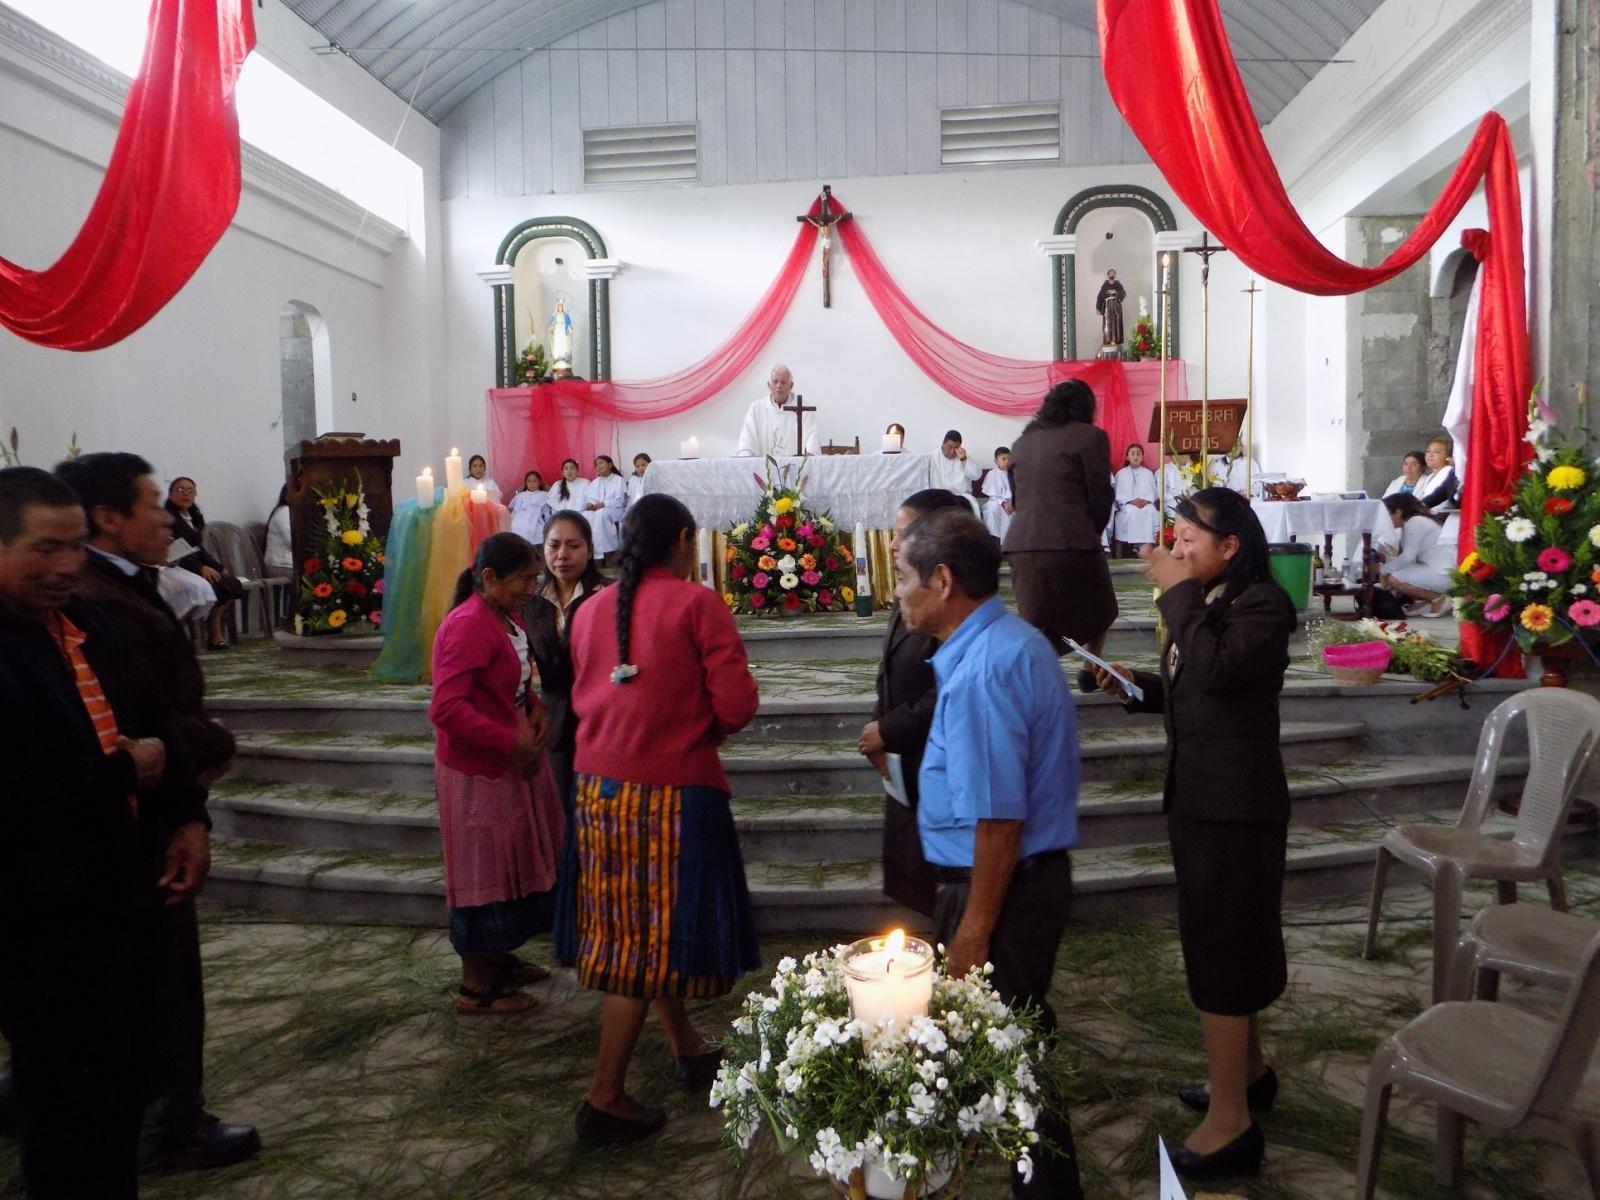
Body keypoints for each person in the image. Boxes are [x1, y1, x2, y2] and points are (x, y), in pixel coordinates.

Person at [0, 466, 210, 1199]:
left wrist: (187, 812)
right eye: (45, 549)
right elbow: (20, 790)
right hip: (40, 917)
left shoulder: (91, 623)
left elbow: (158, 721)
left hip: (120, 892)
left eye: (76, 547)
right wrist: (129, 773)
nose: (66, 566)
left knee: (119, 1084)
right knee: (65, 1102)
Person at [55, 453, 259, 1174]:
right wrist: (203, 752)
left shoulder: (117, 591)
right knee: (156, 980)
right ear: (107, 517)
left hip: (146, 807)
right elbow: (143, 722)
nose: (168, 519)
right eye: (152, 503)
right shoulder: (98, 602)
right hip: (132, 824)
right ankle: (169, 1124)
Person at [1092, 487, 1297, 1181]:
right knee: (1222, 940)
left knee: (1222, 951)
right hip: (1202, 801)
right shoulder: (1210, 604)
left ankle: (1231, 1124)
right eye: (1175, 539)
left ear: (1230, 545)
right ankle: (1250, 1075)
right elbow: (1198, 683)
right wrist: (1137, 687)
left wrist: (1174, 593)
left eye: (1187, 538)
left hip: (1236, 810)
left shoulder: (1263, 606)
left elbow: (1213, 665)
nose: (1176, 549)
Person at [895, 507, 1085, 1200]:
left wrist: (972, 931)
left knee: (1012, 1061)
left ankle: (1047, 1192)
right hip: (1016, 883)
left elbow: (999, 823)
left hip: (1000, 889)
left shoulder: (983, 672)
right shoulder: (1009, 641)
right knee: (1013, 1045)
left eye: (903, 577)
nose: (897, 593)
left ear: (942, 580)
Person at [563, 494, 760, 1146]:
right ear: (682, 539)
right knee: (640, 944)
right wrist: (691, 730)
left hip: (596, 792)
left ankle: (686, 1045)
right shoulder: (697, 603)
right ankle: (605, 1095)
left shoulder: (588, 610)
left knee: (639, 926)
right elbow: (736, 705)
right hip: (672, 795)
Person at [430, 532, 564, 1014]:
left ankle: (498, 958)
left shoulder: (502, 616)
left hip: (509, 761)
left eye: (535, 578)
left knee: (511, 865)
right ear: (487, 578)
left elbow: (513, 677)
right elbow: (446, 708)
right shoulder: (466, 625)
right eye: (524, 579)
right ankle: (475, 987)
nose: (532, 588)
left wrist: (534, 707)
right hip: (480, 769)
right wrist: (509, 741)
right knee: (484, 871)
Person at [856, 489, 971, 917]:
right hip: (906, 762)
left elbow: (950, 684)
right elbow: (890, 668)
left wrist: (889, 728)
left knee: (946, 884)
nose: (889, 542)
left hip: (935, 758)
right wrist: (878, 722)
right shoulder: (911, 589)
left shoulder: (952, 607)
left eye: (901, 533)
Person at [1004, 380, 1118, 689]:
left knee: (1035, 622)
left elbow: (1016, 496)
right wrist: (1089, 530)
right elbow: (1100, 494)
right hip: (1072, 540)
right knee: (1103, 606)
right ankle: (1089, 669)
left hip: (1022, 545)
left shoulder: (1022, 442)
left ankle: (1027, 685)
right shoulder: (1091, 437)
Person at [164, 477, 244, 651]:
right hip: (175, 565)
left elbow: (199, 550)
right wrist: (200, 568)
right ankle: (195, 636)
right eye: (180, 490)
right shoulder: (167, 520)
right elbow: (173, 551)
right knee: (207, 585)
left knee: (230, 583)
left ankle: (214, 629)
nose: (185, 494)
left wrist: (219, 567)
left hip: (194, 562)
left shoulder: (193, 518)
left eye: (190, 490)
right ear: (170, 495)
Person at [1378, 493, 1452, 617]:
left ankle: (1438, 599)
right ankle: (1425, 601)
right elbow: (1407, 559)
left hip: (1444, 576)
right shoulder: (1411, 523)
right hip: (1439, 572)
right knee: (1394, 572)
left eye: (1386, 515)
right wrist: (1385, 559)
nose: (1384, 520)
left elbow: (1408, 557)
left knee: (1393, 578)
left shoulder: (1415, 522)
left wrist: (1382, 570)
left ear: (1398, 513)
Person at [737, 363, 817, 458]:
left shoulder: (803, 410)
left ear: (791, 386)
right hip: (764, 470)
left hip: (796, 470)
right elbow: (746, 440)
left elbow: (812, 443)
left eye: (783, 382)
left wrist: (806, 462)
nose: (779, 385)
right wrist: (745, 459)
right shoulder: (756, 408)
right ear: (769, 385)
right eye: (775, 381)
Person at [1112, 444, 1160, 556]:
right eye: (1132, 453)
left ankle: (1145, 546)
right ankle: (1135, 546)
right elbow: (1118, 494)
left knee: (1151, 511)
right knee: (1132, 511)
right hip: (1127, 504)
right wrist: (1130, 501)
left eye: (1139, 453)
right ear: (1127, 457)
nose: (1136, 456)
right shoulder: (1121, 473)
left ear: (1142, 457)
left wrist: (1146, 500)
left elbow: (1152, 493)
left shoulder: (1148, 473)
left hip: (1145, 503)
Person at [585, 455, 628, 562]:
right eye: (596, 464)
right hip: (599, 509)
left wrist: (604, 504)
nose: (598, 466)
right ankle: (596, 553)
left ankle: (610, 551)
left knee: (603, 515)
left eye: (601, 463)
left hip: (616, 509)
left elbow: (620, 500)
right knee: (586, 515)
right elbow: (591, 498)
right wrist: (590, 504)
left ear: (610, 464)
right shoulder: (595, 482)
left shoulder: (618, 480)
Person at [931, 430, 983, 513]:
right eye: (949, 447)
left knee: (972, 504)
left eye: (956, 448)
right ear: (943, 443)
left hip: (961, 497)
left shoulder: (963, 456)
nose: (952, 452)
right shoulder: (932, 457)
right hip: (939, 497)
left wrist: (963, 460)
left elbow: (976, 476)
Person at [979, 447, 1014, 540]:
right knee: (992, 509)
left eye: (1009, 459)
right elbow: (993, 495)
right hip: (995, 501)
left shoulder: (1014, 473)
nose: (1007, 461)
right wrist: (1003, 503)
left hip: (1012, 502)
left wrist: (1011, 503)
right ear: (996, 461)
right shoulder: (992, 474)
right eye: (1003, 459)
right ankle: (994, 539)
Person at [1414, 435, 1459, 510]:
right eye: (1428, 451)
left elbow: (1441, 500)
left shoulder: (1449, 472)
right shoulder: (1430, 476)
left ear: (1448, 456)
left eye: (1436, 452)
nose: (1430, 455)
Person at [508, 471, 551, 548]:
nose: (532, 484)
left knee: (538, 532)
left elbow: (547, 513)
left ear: (539, 482)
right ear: (526, 483)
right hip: (519, 522)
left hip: (536, 522)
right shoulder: (520, 495)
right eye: (529, 481)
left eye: (535, 481)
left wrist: (549, 525)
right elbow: (515, 512)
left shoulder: (543, 495)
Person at [264, 485, 293, 581]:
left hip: (288, 563)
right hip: (280, 565)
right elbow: (293, 542)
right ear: (286, 496)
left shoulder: (293, 512)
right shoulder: (283, 512)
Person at [1097, 269, 1126, 349]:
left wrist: (1116, 292)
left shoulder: (1118, 284)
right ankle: (1108, 339)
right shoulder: (1105, 285)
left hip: (1116, 307)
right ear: (1108, 275)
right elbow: (1100, 296)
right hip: (1107, 307)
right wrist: (1098, 307)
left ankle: (1115, 339)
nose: (1112, 275)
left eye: (1114, 273)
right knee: (1108, 323)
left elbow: (1123, 293)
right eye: (1111, 273)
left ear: (1115, 275)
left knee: (1116, 323)